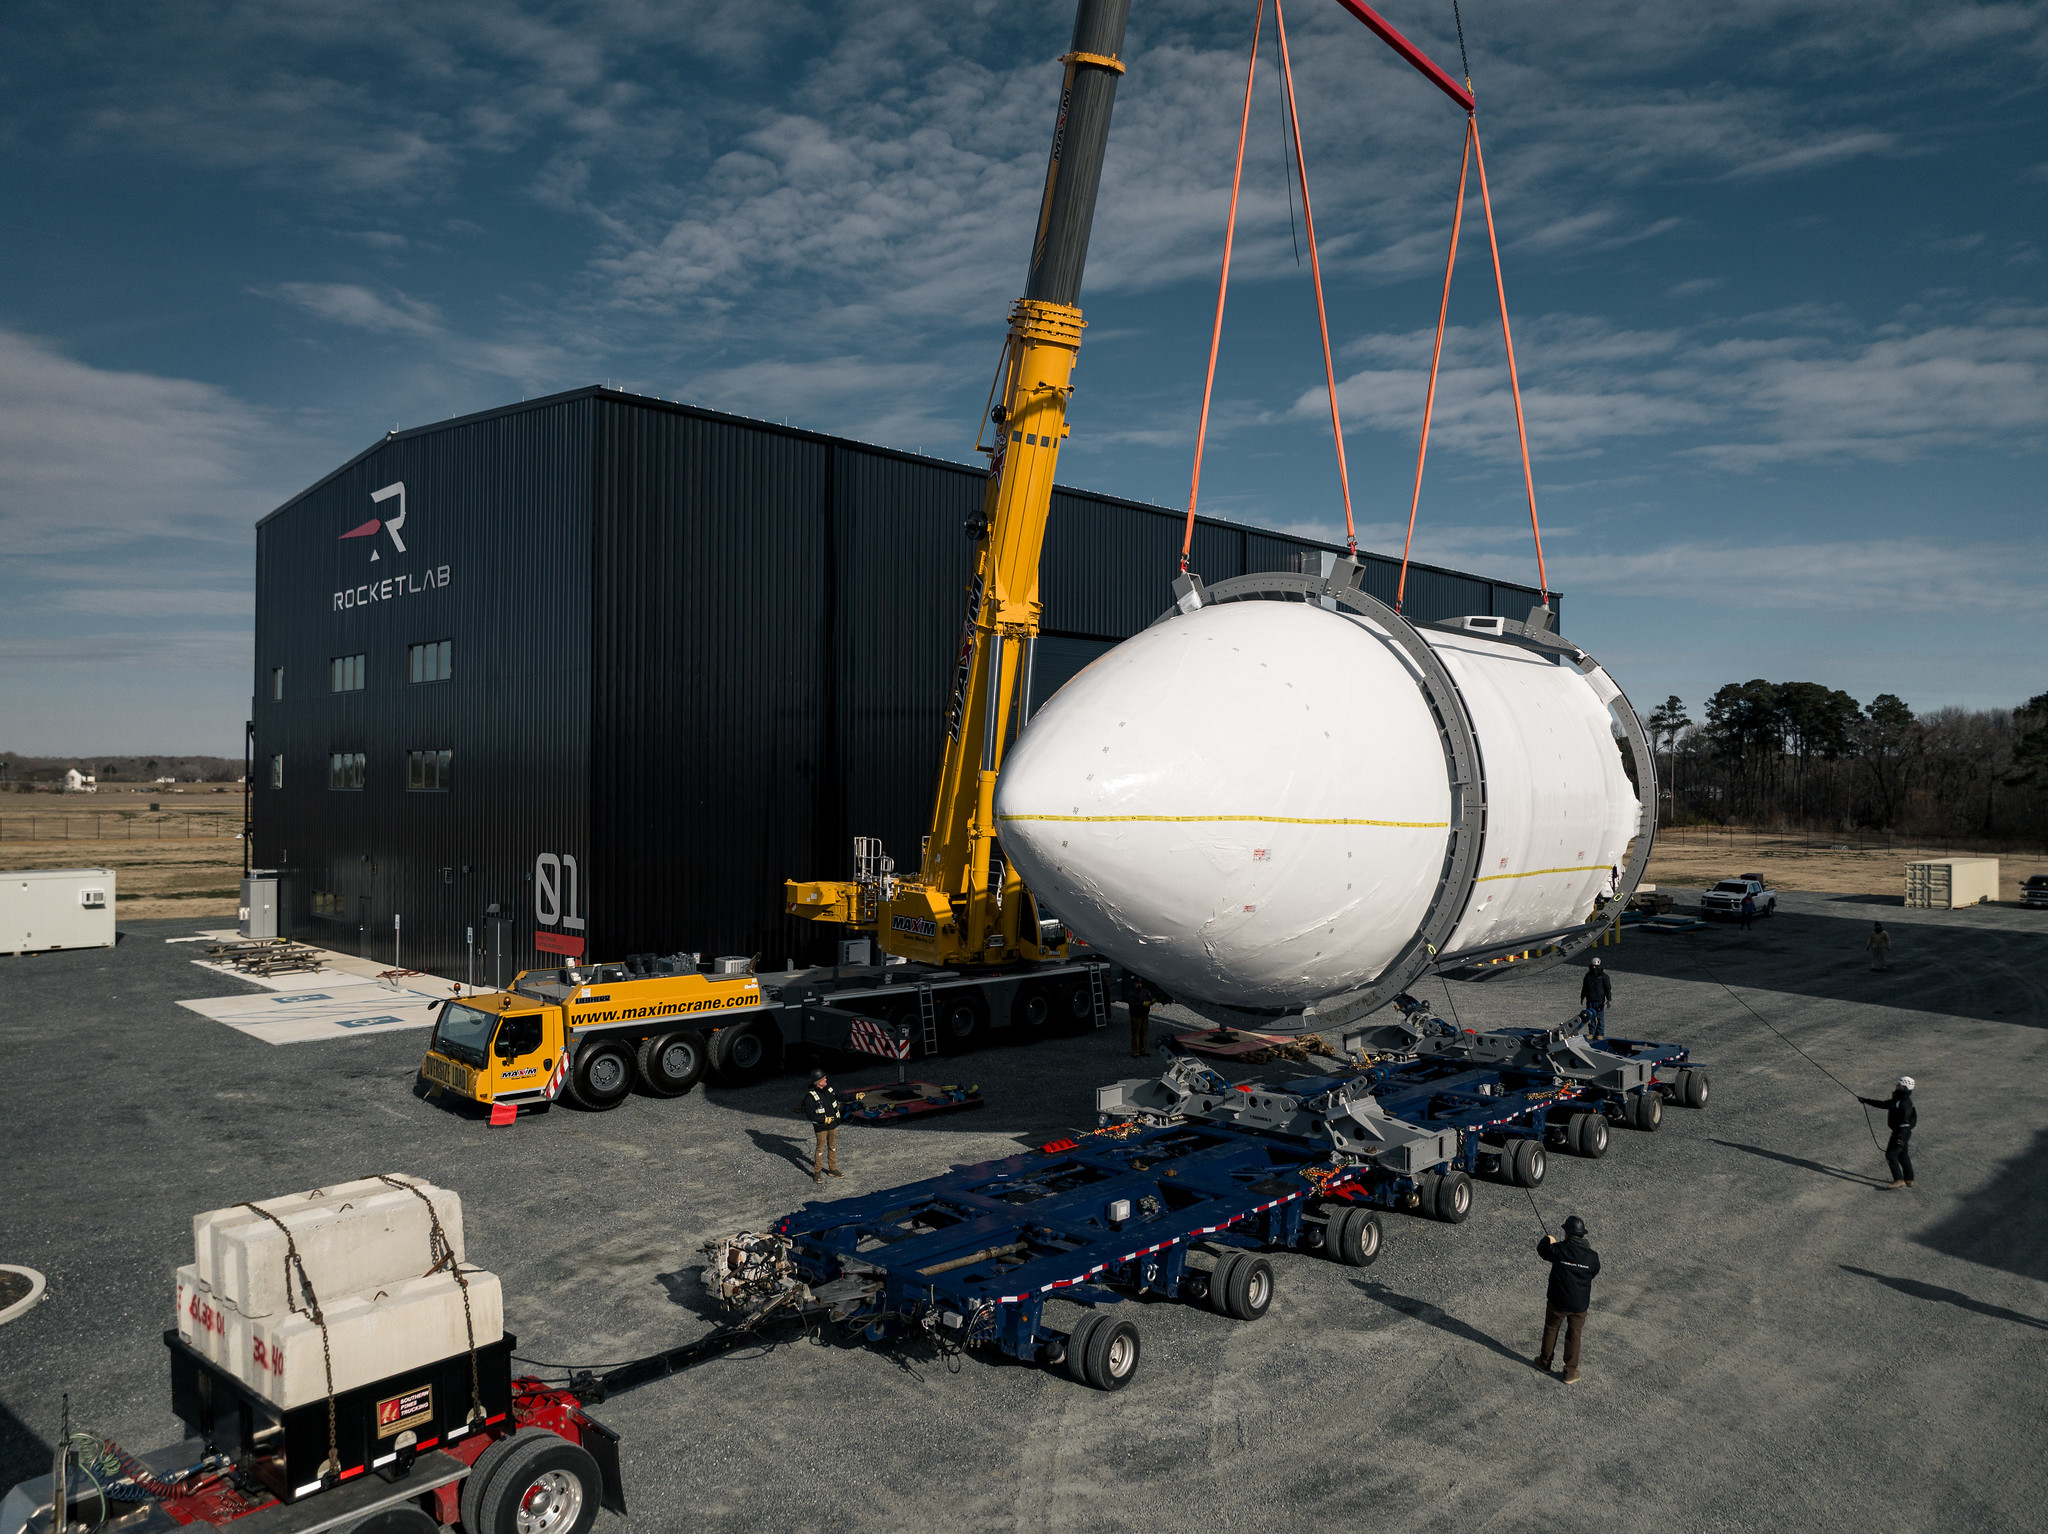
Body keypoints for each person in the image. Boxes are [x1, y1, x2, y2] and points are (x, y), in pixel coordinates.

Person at [1535, 1215, 1601, 1384]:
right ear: (1582, 1234)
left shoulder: (1559, 1250)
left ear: (1567, 1233)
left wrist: (1548, 1239)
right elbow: (1594, 1272)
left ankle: (1544, 1362)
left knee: (1551, 1329)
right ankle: (1570, 1372)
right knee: (1574, 1335)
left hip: (1557, 1301)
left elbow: (1542, 1250)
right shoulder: (1592, 1257)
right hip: (1579, 1305)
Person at [1857, 1076, 1917, 1188]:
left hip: (1900, 1133)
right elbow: (1884, 1104)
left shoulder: (1904, 1103)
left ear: (1904, 1087)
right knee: (1903, 1155)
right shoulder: (1899, 1099)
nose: (1896, 1086)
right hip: (1902, 1133)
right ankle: (1909, 1179)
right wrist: (1865, 1100)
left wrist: (1900, 1137)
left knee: (1891, 1155)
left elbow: (1906, 1123)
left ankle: (1899, 1180)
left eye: (1898, 1085)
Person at [804, 1067, 845, 1183]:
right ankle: (817, 1172)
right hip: (821, 1128)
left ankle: (833, 1169)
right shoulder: (810, 1097)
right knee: (820, 1150)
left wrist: (855, 1097)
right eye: (823, 1078)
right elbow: (810, 1115)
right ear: (818, 1082)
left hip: (832, 1125)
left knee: (832, 1147)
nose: (826, 1079)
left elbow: (841, 1096)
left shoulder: (829, 1090)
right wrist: (823, 1119)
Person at [1121, 971, 1159, 1058]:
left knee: (1144, 1034)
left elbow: (1151, 999)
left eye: (1140, 983)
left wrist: (1152, 1001)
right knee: (1136, 1035)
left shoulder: (1145, 992)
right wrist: (1143, 1004)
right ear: (1134, 984)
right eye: (1137, 983)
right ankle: (1135, 1052)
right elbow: (1132, 1004)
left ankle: (1143, 1050)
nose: (1139, 984)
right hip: (1136, 1016)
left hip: (1144, 1015)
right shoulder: (1131, 993)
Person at [1579, 957, 1612, 1040]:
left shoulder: (1604, 976)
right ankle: (1591, 1033)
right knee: (1590, 1017)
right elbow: (1584, 987)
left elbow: (1607, 988)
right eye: (1593, 966)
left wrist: (1609, 999)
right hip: (1590, 999)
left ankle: (1600, 1034)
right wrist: (1582, 997)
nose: (1594, 967)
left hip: (1599, 1000)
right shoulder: (1588, 976)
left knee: (1600, 1018)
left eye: (1595, 966)